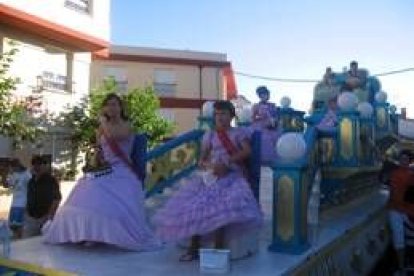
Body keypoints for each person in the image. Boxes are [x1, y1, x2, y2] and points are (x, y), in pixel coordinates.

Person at [43, 93, 160, 251]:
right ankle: (88, 233)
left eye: (115, 104)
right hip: (106, 169)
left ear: (120, 107)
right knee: (85, 193)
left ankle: (103, 235)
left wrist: (103, 123)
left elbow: (115, 135)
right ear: (104, 108)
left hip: (124, 170)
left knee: (110, 205)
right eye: (108, 104)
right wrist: (96, 158)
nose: (112, 107)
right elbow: (100, 149)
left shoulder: (126, 124)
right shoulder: (101, 128)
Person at [153, 100, 263, 261]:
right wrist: (212, 166)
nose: (220, 117)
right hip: (212, 176)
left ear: (231, 115)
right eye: (217, 114)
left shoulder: (239, 133)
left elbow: (247, 151)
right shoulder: (210, 135)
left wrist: (227, 162)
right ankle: (193, 248)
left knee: (222, 209)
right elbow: (201, 160)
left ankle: (218, 251)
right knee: (197, 206)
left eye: (223, 113)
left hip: (232, 175)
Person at [387, 150, 414, 273]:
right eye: (402, 158)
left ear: (410, 161)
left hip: (409, 211)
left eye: (406, 159)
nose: (404, 161)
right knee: (399, 239)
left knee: (409, 239)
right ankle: (401, 266)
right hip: (395, 210)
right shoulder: (394, 172)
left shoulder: (412, 175)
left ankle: (407, 264)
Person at [24, 156, 61, 238]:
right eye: (34, 164)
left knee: (43, 245)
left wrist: (49, 216)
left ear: (45, 166)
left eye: (39, 164)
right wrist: (26, 212)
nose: (36, 167)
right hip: (31, 218)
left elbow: (57, 198)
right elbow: (29, 196)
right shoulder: (31, 181)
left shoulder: (51, 180)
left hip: (45, 218)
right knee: (28, 244)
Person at [251, 86, 281, 165]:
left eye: (266, 94)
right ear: (260, 96)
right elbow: (253, 118)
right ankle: (263, 159)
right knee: (263, 138)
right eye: (263, 94)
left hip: (273, 126)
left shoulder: (273, 105)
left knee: (277, 137)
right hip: (260, 126)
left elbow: (276, 116)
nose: (265, 96)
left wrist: (274, 121)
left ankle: (274, 160)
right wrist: (260, 118)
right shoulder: (256, 106)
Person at [5, 158, 31, 238]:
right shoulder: (13, 174)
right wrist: (6, 175)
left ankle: (19, 239)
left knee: (20, 225)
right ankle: (16, 238)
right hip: (14, 203)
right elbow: (8, 185)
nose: (12, 169)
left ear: (17, 165)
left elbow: (31, 187)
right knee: (13, 225)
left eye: (13, 167)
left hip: (23, 203)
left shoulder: (27, 174)